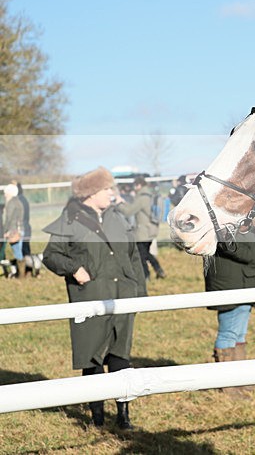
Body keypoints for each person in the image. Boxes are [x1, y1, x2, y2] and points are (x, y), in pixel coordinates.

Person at [42, 167, 148, 429]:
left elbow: (134, 257)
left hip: (123, 296)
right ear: (91, 193)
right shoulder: (70, 219)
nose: (112, 193)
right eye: (107, 189)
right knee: (93, 358)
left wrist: (140, 294)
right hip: (91, 298)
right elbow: (51, 255)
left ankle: (124, 417)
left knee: (121, 357)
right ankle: (97, 418)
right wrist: (74, 269)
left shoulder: (118, 217)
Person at [205, 229, 255, 372]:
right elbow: (226, 243)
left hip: (241, 281)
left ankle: (239, 378)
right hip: (233, 284)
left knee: (238, 335)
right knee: (228, 335)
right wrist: (252, 257)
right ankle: (228, 380)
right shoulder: (225, 220)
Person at [117, 175, 166, 279]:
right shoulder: (149, 195)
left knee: (141, 255)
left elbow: (129, 211)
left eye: (135, 185)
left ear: (138, 185)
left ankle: (146, 276)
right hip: (150, 230)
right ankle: (158, 270)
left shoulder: (142, 197)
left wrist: (118, 204)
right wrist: (124, 203)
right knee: (145, 253)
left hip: (143, 232)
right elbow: (134, 207)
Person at [2, 183, 25, 278]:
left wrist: (5, 231)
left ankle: (20, 274)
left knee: (17, 252)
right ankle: (21, 273)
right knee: (19, 252)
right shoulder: (18, 202)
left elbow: (9, 218)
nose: (4, 194)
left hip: (13, 230)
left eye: (5, 192)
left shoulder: (11, 203)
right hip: (20, 229)